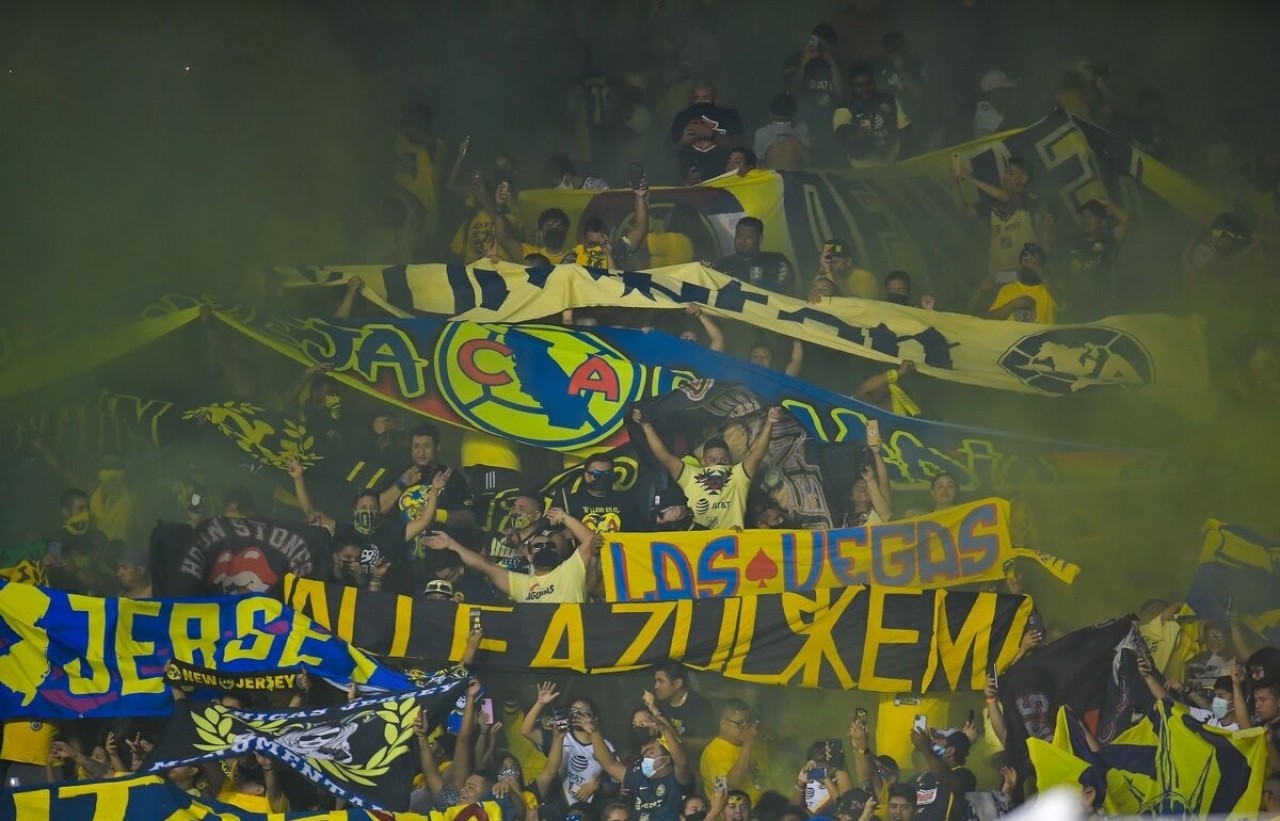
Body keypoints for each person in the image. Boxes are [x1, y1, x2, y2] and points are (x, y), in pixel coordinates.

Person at [632, 406, 782, 530]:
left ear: (730, 461)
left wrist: (770, 423)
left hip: (733, 544)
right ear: (704, 461)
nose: (718, 464)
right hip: (701, 544)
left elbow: (756, 455)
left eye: (723, 460)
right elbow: (664, 457)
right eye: (713, 460)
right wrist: (646, 426)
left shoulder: (738, 475)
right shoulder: (690, 475)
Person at [423, 507, 598, 603]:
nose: (544, 548)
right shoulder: (521, 584)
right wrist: (451, 544)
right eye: (538, 546)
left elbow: (591, 541)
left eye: (549, 545)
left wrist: (564, 517)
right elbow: (484, 565)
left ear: (558, 553)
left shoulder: (571, 570)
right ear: (529, 557)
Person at [582, 697, 694, 821]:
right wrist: (594, 732)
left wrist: (664, 728)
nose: (645, 758)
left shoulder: (676, 779)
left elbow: (681, 762)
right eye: (644, 755)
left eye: (651, 752)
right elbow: (610, 764)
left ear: (666, 759)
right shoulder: (638, 777)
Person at [519, 682, 616, 806]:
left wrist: (596, 785)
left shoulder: (606, 746)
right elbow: (526, 731)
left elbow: (613, 777)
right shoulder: (560, 737)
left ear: (595, 717)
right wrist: (540, 703)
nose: (578, 714)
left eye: (584, 710)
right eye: (574, 710)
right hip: (559, 805)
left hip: (591, 808)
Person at [949, 154, 1039, 279]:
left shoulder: (1029, 199)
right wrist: (954, 183)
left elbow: (1007, 197)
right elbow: (964, 211)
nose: (1005, 177)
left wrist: (971, 179)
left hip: (1025, 273)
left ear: (1023, 179)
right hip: (999, 275)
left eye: (1010, 173)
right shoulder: (993, 203)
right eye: (1006, 173)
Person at [379, 424, 476, 529]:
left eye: (427, 446)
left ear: (437, 447)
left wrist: (435, 515)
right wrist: (401, 484)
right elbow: (378, 509)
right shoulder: (398, 473)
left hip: (438, 538)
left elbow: (470, 518)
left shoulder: (452, 476)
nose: (421, 453)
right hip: (400, 537)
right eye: (416, 446)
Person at [1053, 197, 1131, 318]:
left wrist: (1108, 203)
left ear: (1101, 221)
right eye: (1083, 216)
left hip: (1101, 309)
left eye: (1091, 216)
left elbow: (1125, 219)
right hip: (1074, 309)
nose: (1086, 220)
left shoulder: (1108, 242)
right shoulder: (1070, 243)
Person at [781, 25, 845, 164]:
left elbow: (841, 95)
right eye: (818, 44)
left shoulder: (836, 62)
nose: (820, 48)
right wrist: (804, 63)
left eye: (824, 46)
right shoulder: (795, 60)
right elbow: (794, 91)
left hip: (829, 126)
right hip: (802, 124)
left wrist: (832, 64)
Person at [664, 82, 745, 186]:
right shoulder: (683, 116)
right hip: (691, 183)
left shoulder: (729, 115)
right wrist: (683, 142)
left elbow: (740, 148)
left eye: (705, 98)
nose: (701, 102)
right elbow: (668, 152)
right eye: (697, 98)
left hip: (724, 181)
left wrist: (711, 134)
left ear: (716, 100)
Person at [833, 64, 907, 167]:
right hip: (861, 168)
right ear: (851, 87)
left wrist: (900, 159)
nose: (865, 89)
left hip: (893, 164)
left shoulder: (889, 100)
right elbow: (842, 134)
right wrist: (858, 136)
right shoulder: (845, 108)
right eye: (859, 86)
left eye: (868, 84)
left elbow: (905, 131)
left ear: (874, 84)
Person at [969, 243, 1061, 324]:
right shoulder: (1008, 289)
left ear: (1043, 267)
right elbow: (989, 320)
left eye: (1033, 263)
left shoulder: (1050, 290)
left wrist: (1039, 271)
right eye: (1025, 261)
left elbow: (1062, 301)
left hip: (1043, 339)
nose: (1029, 264)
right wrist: (1013, 305)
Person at [700, 699, 768, 804]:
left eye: (748, 723)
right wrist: (748, 743)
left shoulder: (753, 745)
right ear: (723, 723)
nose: (745, 728)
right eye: (740, 723)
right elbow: (731, 786)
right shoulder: (714, 752)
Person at [559, 455, 646, 535]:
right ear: (587, 476)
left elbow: (641, 532)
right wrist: (565, 535)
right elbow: (557, 534)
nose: (603, 478)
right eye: (597, 474)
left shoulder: (626, 501)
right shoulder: (572, 501)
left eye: (608, 474)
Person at [714, 217, 796, 296]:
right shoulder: (723, 264)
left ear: (760, 239)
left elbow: (787, 294)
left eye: (748, 237)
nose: (742, 240)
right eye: (739, 236)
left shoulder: (776, 261)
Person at [908, 723, 972, 821]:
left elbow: (945, 776)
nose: (931, 743)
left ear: (950, 750)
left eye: (937, 740)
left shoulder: (964, 776)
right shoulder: (919, 778)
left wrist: (925, 748)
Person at [652, 660, 716, 746]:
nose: (656, 686)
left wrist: (676, 740)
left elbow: (706, 742)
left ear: (677, 683)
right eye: (656, 681)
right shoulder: (660, 705)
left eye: (661, 681)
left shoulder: (699, 705)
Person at [754, 93, 811, 171]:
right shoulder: (762, 133)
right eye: (779, 120)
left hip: (796, 174)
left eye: (786, 120)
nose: (783, 125)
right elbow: (758, 162)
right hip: (773, 174)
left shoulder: (801, 129)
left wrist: (792, 140)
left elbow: (807, 160)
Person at [973, 70, 1018, 137]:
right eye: (1005, 90)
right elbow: (1009, 131)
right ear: (995, 92)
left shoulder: (996, 107)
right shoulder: (984, 111)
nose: (1008, 93)